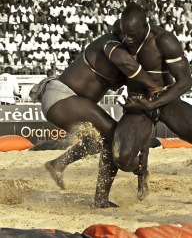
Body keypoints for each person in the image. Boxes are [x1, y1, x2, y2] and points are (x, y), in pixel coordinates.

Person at [111, 4, 192, 206]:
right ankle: (141, 169)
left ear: (146, 26)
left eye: (133, 35)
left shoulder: (164, 40)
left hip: (166, 100)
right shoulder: (117, 34)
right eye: (125, 34)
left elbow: (185, 82)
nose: (128, 39)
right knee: (121, 158)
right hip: (137, 101)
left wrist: (153, 104)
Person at [29, 32, 162, 208]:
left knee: (99, 141)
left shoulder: (130, 63)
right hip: (63, 97)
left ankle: (58, 164)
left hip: (61, 100)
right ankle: (101, 199)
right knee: (115, 140)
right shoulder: (116, 49)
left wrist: (142, 168)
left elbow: (140, 126)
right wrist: (140, 169)